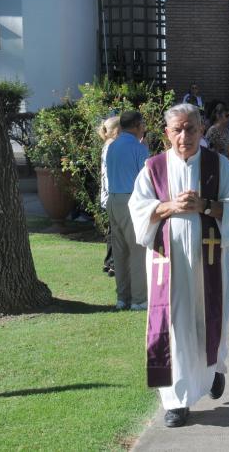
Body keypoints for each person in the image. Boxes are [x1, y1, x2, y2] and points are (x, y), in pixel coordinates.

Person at [128, 103, 229, 428]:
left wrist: (205, 206)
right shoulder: (153, 168)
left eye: (191, 128)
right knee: (173, 328)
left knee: (211, 320)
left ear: (200, 129)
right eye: (177, 129)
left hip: (210, 262)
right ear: (167, 133)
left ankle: (214, 371)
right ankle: (176, 401)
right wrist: (167, 206)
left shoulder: (218, 165)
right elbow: (138, 209)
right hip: (170, 265)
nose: (185, 136)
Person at [107, 110, 150, 310]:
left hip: (113, 199)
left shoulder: (112, 146)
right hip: (130, 200)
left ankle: (122, 297)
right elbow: (147, 179)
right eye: (142, 125)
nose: (144, 129)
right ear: (136, 125)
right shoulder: (138, 148)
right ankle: (139, 299)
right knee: (138, 250)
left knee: (120, 251)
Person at [98, 115, 122, 277]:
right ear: (117, 131)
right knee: (117, 231)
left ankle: (109, 262)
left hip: (109, 195)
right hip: (113, 195)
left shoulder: (108, 145)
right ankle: (113, 263)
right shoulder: (113, 146)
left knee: (113, 230)